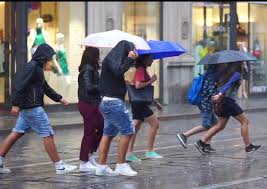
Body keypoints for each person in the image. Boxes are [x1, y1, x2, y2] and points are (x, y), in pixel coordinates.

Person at [0, 44, 77, 175]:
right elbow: (20, 84)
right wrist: (16, 103)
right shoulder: (33, 67)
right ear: (43, 57)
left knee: (16, 133)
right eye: (49, 58)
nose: (51, 61)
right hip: (33, 107)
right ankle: (59, 166)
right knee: (47, 134)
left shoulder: (37, 67)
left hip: (28, 107)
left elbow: (45, 87)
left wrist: (59, 98)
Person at [194, 63, 262, 154]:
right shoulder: (237, 73)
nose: (245, 64)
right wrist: (220, 94)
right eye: (243, 62)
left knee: (220, 125)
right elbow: (229, 84)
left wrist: (218, 95)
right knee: (245, 121)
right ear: (239, 63)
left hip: (220, 102)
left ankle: (201, 142)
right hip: (227, 101)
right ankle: (248, 146)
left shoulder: (224, 73)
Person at [96, 40, 138, 177]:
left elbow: (116, 75)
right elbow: (119, 72)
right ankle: (121, 164)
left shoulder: (111, 60)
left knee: (108, 133)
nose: (131, 54)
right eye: (130, 51)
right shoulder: (113, 61)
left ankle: (101, 166)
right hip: (113, 102)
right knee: (128, 130)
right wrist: (130, 59)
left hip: (108, 101)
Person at [126, 54, 163, 162]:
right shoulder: (141, 70)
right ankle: (149, 151)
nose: (152, 60)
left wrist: (155, 102)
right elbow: (138, 86)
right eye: (150, 58)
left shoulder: (142, 70)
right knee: (155, 124)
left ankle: (129, 153)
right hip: (139, 104)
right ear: (144, 60)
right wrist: (151, 80)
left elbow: (143, 92)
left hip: (138, 103)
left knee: (135, 128)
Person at [177, 64, 221, 153]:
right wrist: (220, 93)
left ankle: (206, 145)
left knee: (214, 123)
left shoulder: (207, 75)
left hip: (204, 103)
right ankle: (184, 135)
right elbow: (211, 93)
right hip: (206, 104)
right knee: (206, 125)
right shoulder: (212, 77)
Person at [77, 46, 104, 173]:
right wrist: (102, 86)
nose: (99, 58)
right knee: (89, 131)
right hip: (87, 103)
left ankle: (89, 154)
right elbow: (88, 87)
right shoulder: (87, 69)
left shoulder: (91, 68)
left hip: (93, 103)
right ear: (93, 56)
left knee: (101, 127)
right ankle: (83, 162)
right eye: (97, 55)